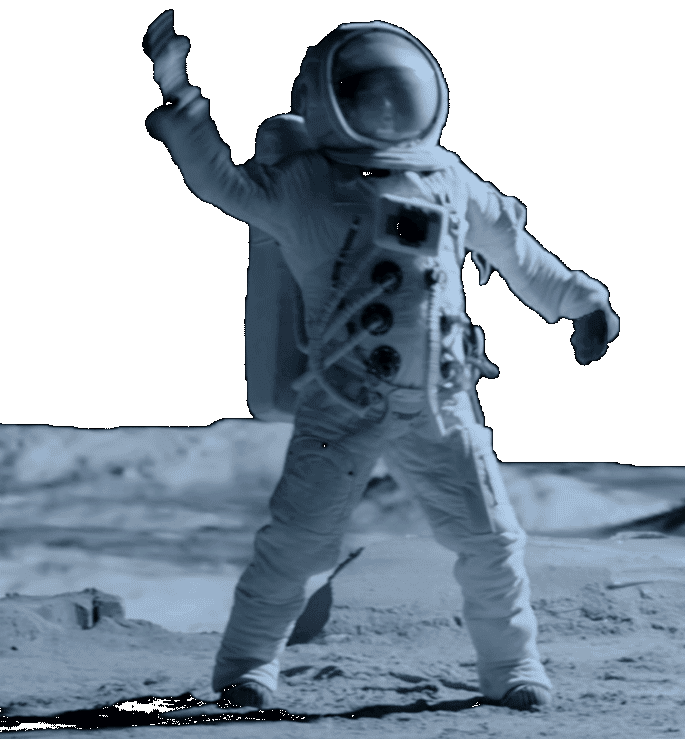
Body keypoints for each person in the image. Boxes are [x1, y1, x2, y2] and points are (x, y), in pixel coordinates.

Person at [136, 10, 621, 713]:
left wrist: (582, 301)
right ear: (328, 102)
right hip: (343, 399)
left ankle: (515, 669)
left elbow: (514, 251)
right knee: (298, 543)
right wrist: (180, 98)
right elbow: (220, 183)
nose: (388, 106)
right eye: (369, 93)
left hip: (441, 399)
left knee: (490, 541)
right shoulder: (304, 184)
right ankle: (246, 669)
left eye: (396, 91)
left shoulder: (447, 178)